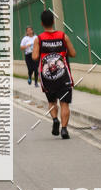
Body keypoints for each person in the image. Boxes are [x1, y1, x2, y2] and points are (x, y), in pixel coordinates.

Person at [32, 9, 76, 139]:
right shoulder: (63, 36)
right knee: (64, 103)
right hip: (63, 77)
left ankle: (55, 119)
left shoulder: (39, 39)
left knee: (52, 101)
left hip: (47, 77)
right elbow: (73, 53)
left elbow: (34, 57)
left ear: (42, 23)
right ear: (53, 21)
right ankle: (64, 129)